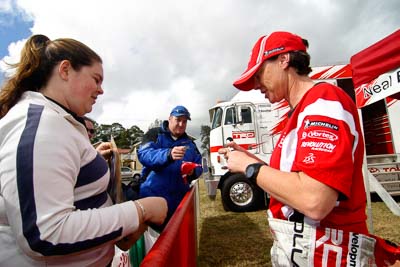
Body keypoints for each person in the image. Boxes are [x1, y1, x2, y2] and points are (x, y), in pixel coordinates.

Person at [219, 31, 399, 266]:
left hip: (328, 252)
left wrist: (250, 167)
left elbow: (314, 199)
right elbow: (298, 182)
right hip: (308, 249)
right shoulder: (304, 109)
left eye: (259, 73)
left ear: (284, 60)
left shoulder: (323, 102)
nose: (256, 85)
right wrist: (255, 163)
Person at [0, 34, 167, 266]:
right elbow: (45, 233)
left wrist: (116, 231)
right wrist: (140, 210)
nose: (101, 90)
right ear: (65, 70)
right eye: (96, 79)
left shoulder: (60, 122)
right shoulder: (42, 125)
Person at [138, 105, 203, 230]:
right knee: (155, 244)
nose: (181, 124)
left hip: (178, 203)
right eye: (178, 119)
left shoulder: (190, 143)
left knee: (175, 241)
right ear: (170, 119)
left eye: (184, 121)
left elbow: (199, 164)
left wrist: (193, 171)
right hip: (152, 199)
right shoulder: (155, 134)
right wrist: (168, 154)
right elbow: (144, 154)